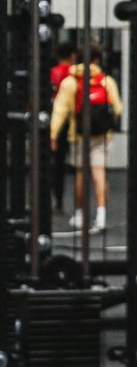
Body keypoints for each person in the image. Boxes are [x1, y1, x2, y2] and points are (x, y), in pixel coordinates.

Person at [51, 40, 123, 232]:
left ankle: (80, 215)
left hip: (79, 134)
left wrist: (53, 133)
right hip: (101, 136)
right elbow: (118, 107)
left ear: (77, 58)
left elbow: (60, 110)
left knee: (81, 174)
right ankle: (101, 216)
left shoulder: (71, 81)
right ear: (98, 59)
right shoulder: (106, 80)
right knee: (99, 174)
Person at [50, 41, 76, 213]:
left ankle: (56, 202)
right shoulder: (73, 74)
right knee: (69, 165)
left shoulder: (52, 73)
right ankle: (77, 207)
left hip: (54, 121)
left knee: (54, 164)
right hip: (70, 122)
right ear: (72, 56)